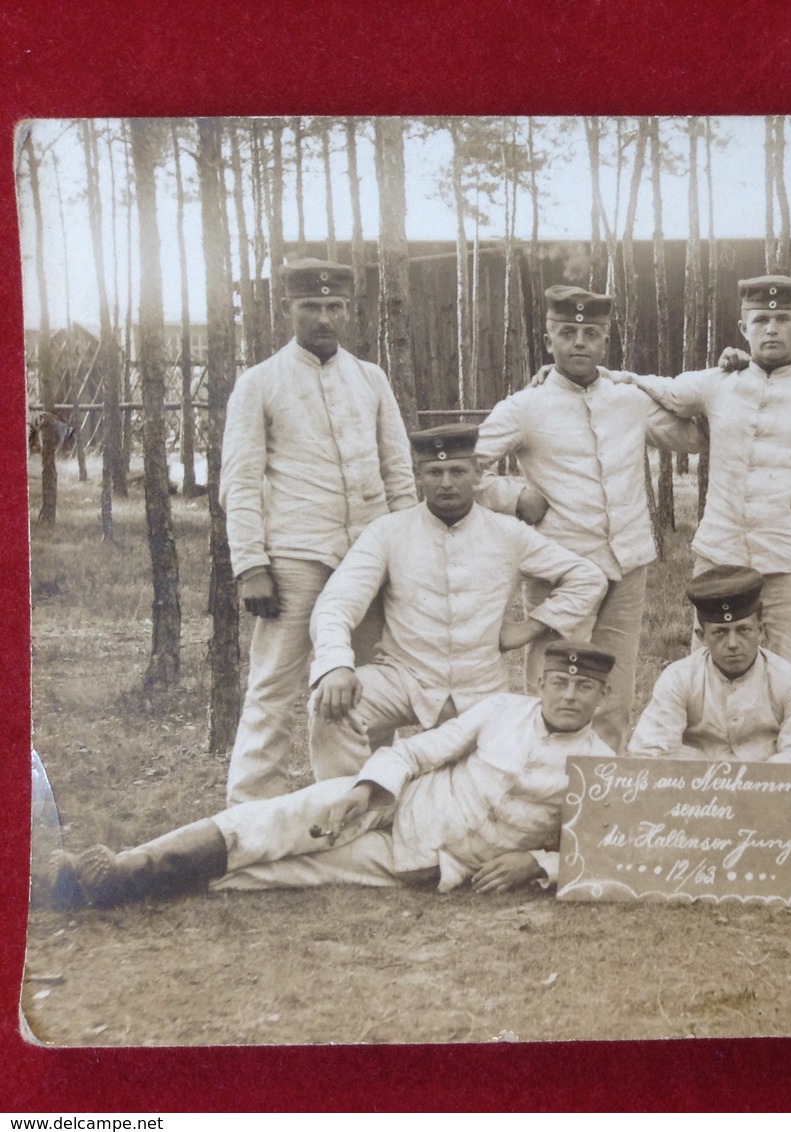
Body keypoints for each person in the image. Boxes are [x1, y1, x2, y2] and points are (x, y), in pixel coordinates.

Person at [48, 643, 618, 907]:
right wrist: (366, 790)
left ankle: (109, 892)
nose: (570, 695)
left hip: (422, 864)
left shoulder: (603, 766)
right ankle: (128, 865)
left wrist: (536, 864)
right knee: (267, 822)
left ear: (603, 694)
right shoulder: (500, 709)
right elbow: (417, 753)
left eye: (584, 687)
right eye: (559, 683)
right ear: (540, 683)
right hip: (389, 803)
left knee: (278, 875)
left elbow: (603, 853)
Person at [614, 275, 791, 676]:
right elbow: (664, 391)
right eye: (761, 319)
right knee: (706, 673)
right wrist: (602, 378)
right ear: (744, 328)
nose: (773, 328)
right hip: (721, 554)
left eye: (784, 319)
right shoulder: (719, 382)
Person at [220, 258, 418, 804]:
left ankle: (369, 800)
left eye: (335, 306)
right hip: (294, 558)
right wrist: (251, 564)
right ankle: (252, 810)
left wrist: (407, 550)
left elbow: (398, 471)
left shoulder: (372, 378)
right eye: (312, 306)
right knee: (273, 687)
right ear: (288, 309)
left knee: (370, 680)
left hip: (371, 555)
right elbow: (239, 480)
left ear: (349, 311)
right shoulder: (259, 382)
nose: (324, 317)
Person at [474, 285, 703, 754]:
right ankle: (541, 780)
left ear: (605, 341)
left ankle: (604, 793)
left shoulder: (628, 400)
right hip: (561, 567)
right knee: (554, 681)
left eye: (591, 333)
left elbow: (696, 434)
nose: (579, 342)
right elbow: (463, 468)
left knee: (614, 684)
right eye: (567, 332)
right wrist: (514, 496)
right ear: (548, 340)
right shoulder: (525, 407)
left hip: (628, 562)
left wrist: (636, 379)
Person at [307, 424, 607, 781]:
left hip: (481, 688)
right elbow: (337, 601)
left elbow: (588, 577)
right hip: (405, 677)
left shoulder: (507, 533)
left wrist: (532, 626)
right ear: (419, 477)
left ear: (478, 475)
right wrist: (336, 664)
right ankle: (348, 808)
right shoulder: (388, 531)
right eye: (434, 472)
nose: (446, 483)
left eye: (458, 471)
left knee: (493, 784)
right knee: (330, 707)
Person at [628, 566, 791, 763]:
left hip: (769, 791)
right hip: (693, 789)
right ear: (702, 636)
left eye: (743, 630)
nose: (732, 644)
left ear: (760, 631)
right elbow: (648, 750)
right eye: (720, 632)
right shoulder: (678, 678)